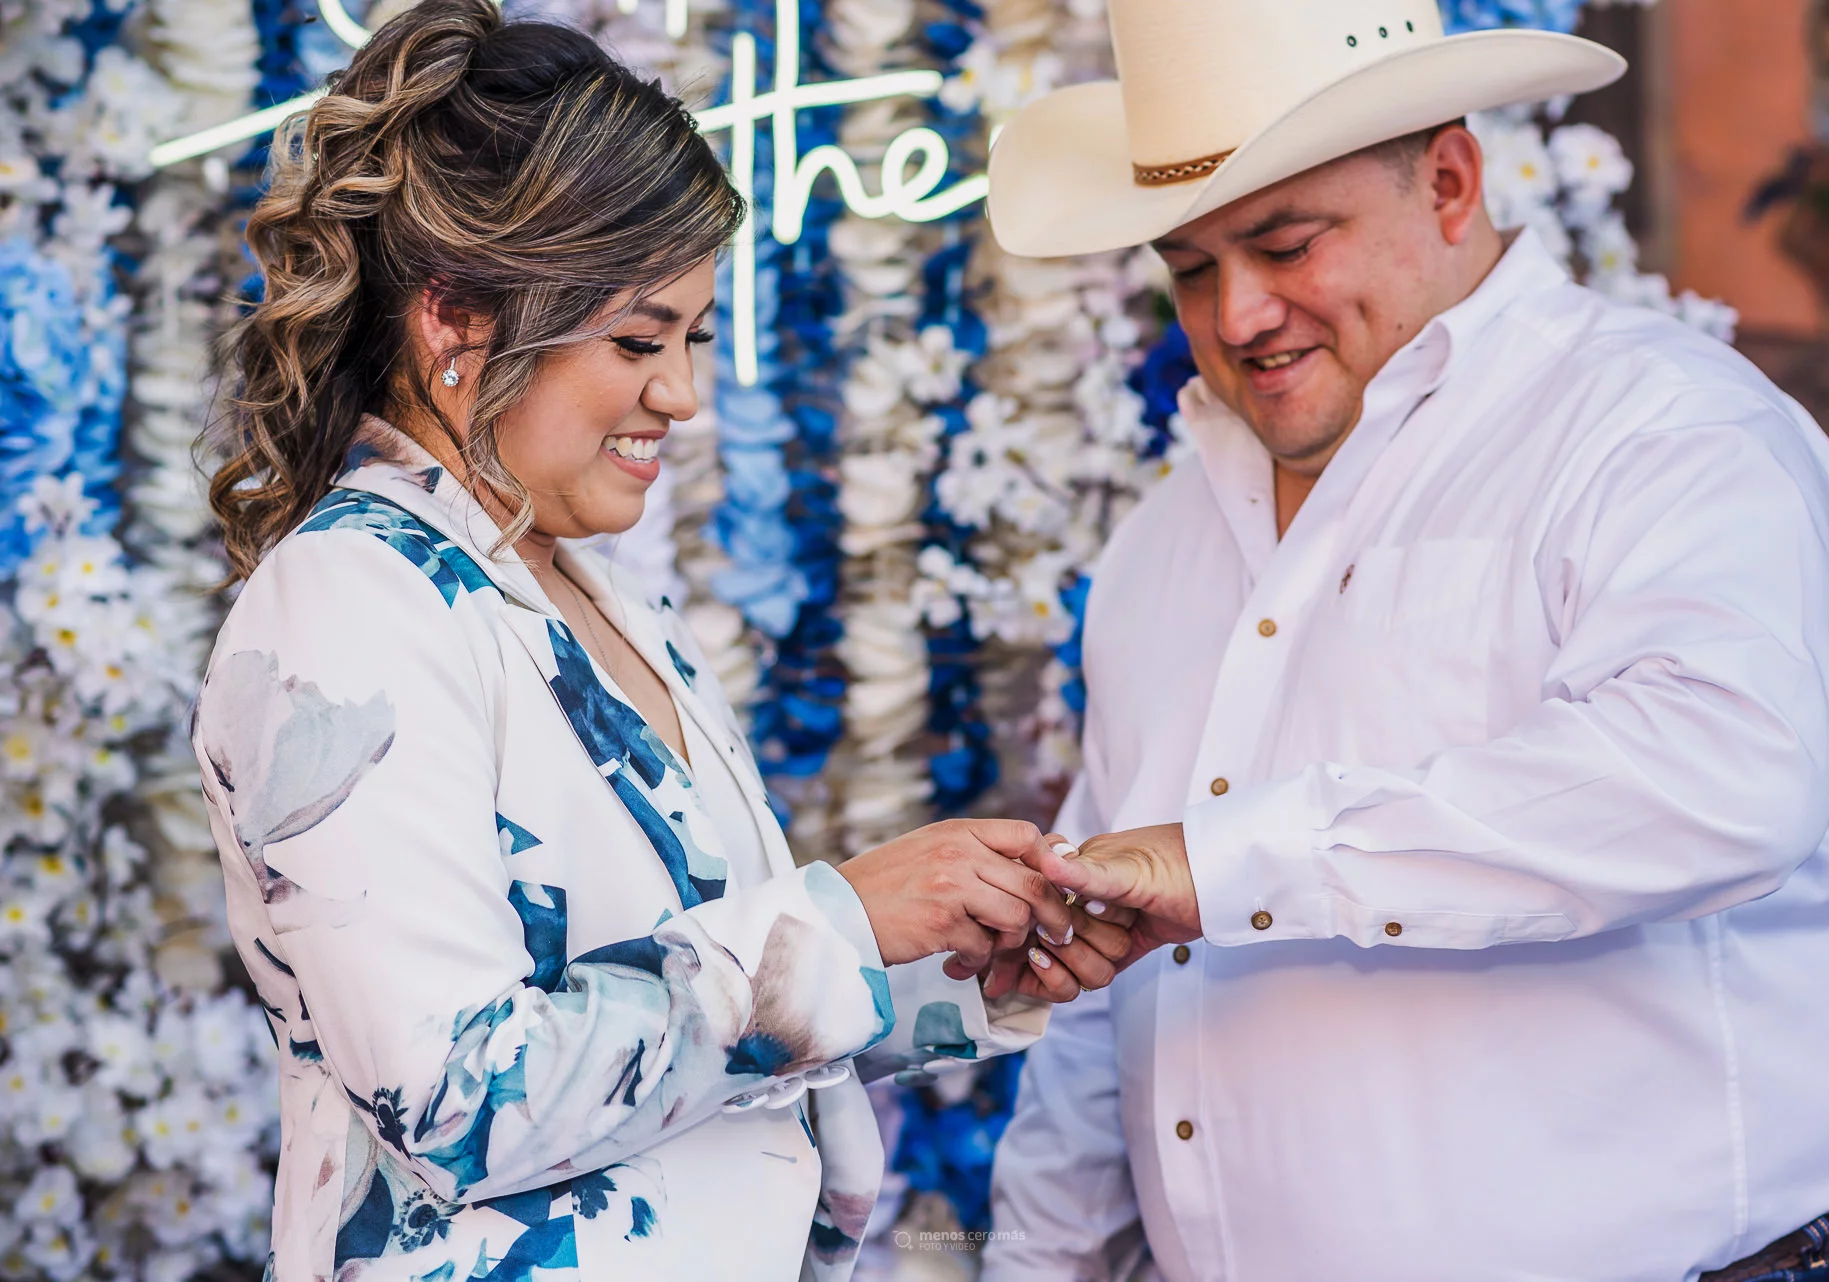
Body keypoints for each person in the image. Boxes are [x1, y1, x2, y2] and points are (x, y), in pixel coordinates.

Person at [191, 4, 1132, 1280]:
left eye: (693, 336)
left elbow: (703, 1025)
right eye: (640, 339)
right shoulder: (351, 599)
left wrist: (971, 968)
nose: (684, 393)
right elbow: (453, 1095)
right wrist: (841, 918)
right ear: (455, 321)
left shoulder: (592, 587)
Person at [981, 1, 1829, 1280]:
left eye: (1286, 244)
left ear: (1454, 182)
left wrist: (1229, 860)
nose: (1239, 314)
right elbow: (1113, 990)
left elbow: (1722, 773)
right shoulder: (1161, 540)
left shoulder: (1664, 432)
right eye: (1190, 268)